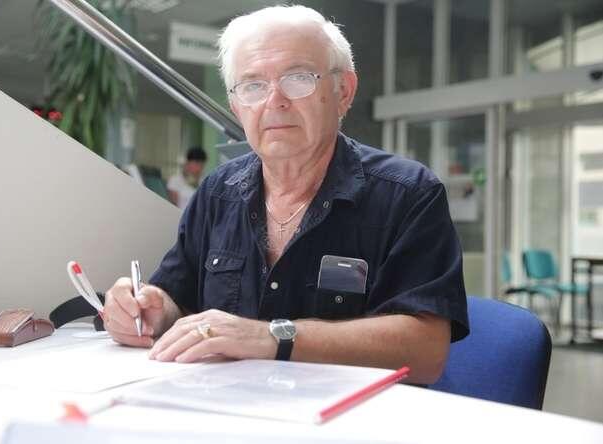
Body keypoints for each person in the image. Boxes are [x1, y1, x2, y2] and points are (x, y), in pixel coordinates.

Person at [103, 5, 468, 384]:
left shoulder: (408, 193)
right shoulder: (217, 193)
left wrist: (273, 336)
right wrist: (149, 309)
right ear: (236, 107)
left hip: (347, 414)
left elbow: (427, 350)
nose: (274, 100)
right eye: (253, 85)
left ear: (343, 91)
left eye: (298, 78)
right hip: (227, 405)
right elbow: (175, 298)